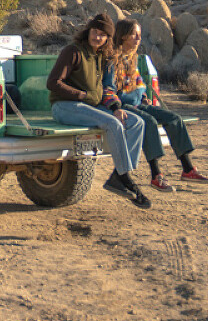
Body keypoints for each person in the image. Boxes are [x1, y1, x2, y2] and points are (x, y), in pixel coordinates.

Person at [46, 13, 151, 209]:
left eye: (103, 35)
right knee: (112, 124)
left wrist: (115, 107)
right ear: (88, 31)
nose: (97, 37)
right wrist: (81, 95)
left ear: (107, 39)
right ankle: (124, 178)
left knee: (137, 123)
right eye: (95, 32)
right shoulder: (73, 51)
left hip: (90, 106)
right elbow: (53, 83)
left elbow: (108, 86)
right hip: (65, 106)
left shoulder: (100, 56)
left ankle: (119, 176)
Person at [106, 18, 208, 193]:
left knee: (174, 119)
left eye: (139, 35)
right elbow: (108, 88)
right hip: (123, 107)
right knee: (149, 122)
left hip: (139, 104)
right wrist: (115, 107)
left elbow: (137, 83)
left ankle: (188, 169)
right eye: (134, 34)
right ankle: (156, 175)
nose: (138, 39)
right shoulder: (112, 60)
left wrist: (145, 96)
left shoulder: (133, 58)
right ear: (123, 36)